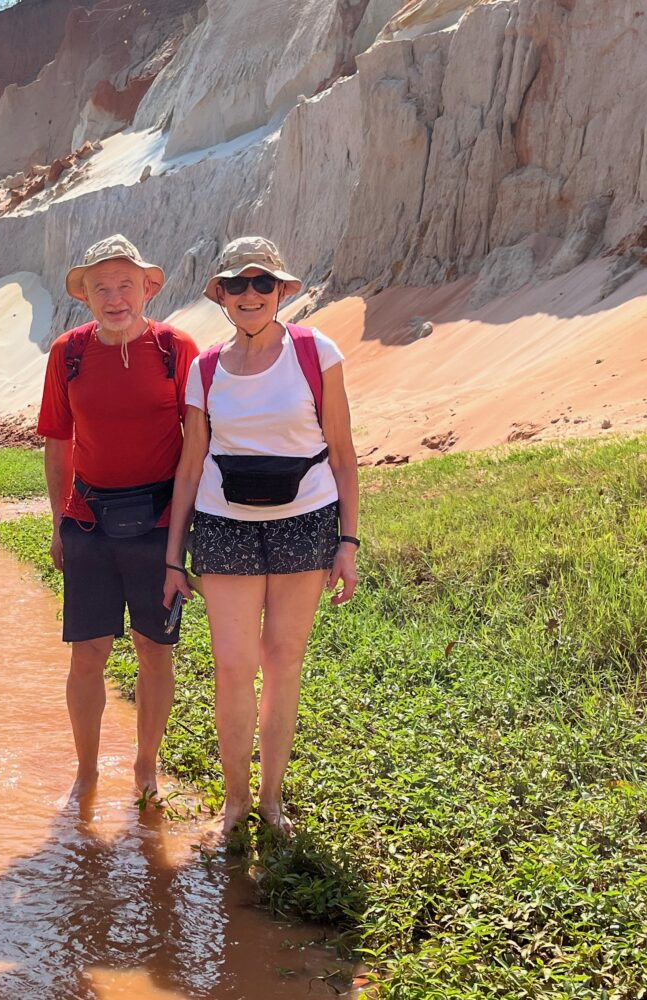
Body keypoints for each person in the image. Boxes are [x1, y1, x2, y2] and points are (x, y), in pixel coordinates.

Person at [162, 236, 360, 838]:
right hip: (224, 528)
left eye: (262, 283)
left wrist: (347, 543)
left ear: (280, 291)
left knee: (283, 663)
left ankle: (272, 799)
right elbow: (191, 468)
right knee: (233, 666)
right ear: (219, 294)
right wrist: (174, 558)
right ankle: (236, 802)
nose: (250, 295)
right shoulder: (203, 369)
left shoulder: (315, 352)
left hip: (306, 522)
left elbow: (346, 455)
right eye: (237, 284)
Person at [37, 234, 198, 802]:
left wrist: (183, 538)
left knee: (156, 651)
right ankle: (87, 772)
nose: (114, 297)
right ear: (86, 296)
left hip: (158, 525)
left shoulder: (176, 348)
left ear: (147, 288)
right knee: (89, 653)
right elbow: (57, 442)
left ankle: (145, 767)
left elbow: (197, 443)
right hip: (88, 522)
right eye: (101, 287)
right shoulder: (69, 352)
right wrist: (59, 521)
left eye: (125, 285)